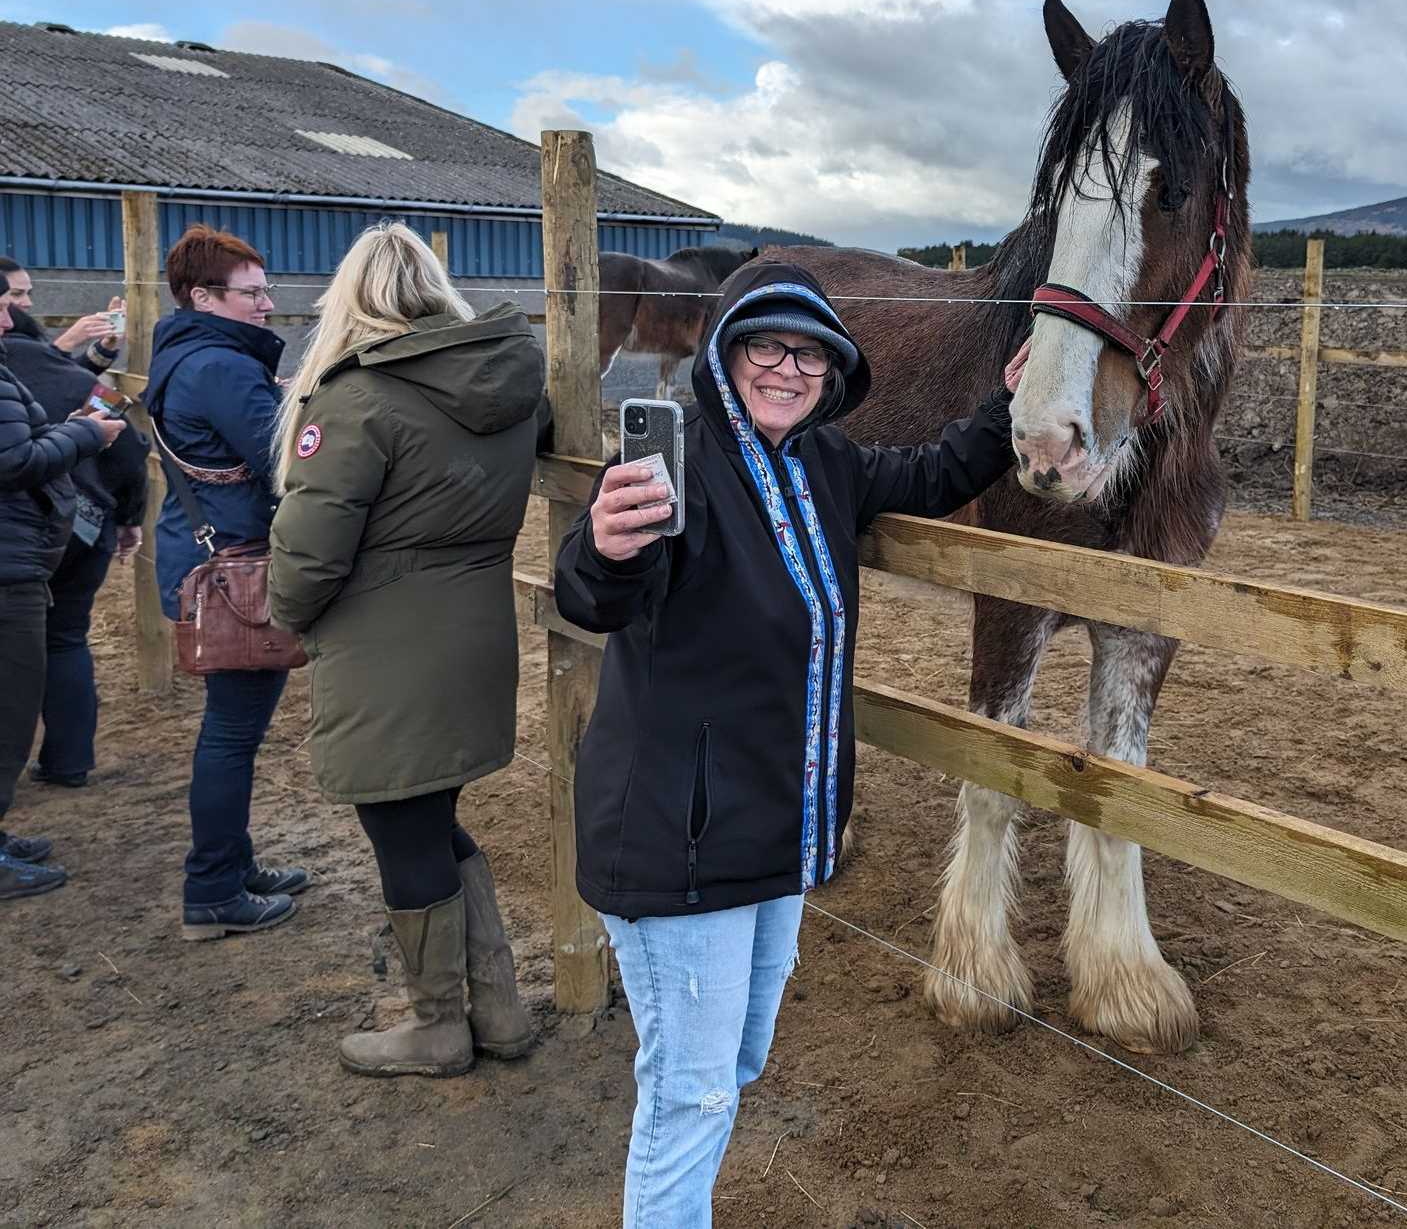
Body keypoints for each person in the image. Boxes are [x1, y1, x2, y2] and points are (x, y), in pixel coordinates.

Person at [555, 258, 1027, 1223]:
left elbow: (936, 471)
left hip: (775, 840)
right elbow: (596, 596)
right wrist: (603, 544)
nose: (787, 366)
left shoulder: (827, 466)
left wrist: (1010, 404)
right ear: (724, 353)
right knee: (690, 1093)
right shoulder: (669, 463)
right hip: (676, 845)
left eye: (809, 351)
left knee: (734, 1061)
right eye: (766, 344)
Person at [267, 221, 546, 1077]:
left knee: (400, 823)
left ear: (350, 298)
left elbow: (309, 555)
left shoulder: (357, 399)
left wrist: (287, 611)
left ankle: (437, 1024)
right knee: (430, 815)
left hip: (387, 647)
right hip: (471, 635)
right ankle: (496, 1007)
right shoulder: (506, 387)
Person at [143, 224, 310, 941]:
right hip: (231, 574)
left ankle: (232, 865)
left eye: (265, 289)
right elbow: (283, 457)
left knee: (232, 726)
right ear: (202, 295)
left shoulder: (185, 356)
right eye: (252, 293)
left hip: (201, 560)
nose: (266, 305)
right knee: (232, 730)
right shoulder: (222, 368)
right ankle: (211, 888)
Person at [1, 279, 150, 792]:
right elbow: (130, 449)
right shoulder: (72, 378)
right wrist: (130, 517)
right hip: (82, 522)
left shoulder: (18, 375)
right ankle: (68, 762)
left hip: (25, 534)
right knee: (67, 638)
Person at [1, 302, 122, 899]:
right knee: (30, 681)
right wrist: (84, 434)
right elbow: (13, 461)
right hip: (29, 553)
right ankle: (65, 764)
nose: (8, 317)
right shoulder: (32, 375)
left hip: (25, 551)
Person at [1, 257, 123, 375]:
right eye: (16, 293)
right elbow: (47, 380)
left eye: (29, 294)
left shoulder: (22, 335)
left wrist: (105, 348)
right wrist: (67, 342)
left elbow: (64, 378)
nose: (28, 303)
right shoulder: (11, 343)